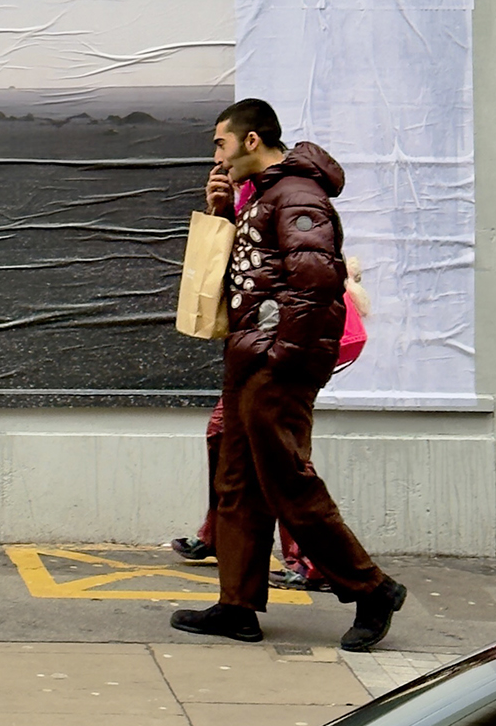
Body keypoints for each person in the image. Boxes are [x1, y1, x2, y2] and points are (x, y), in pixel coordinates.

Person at [169, 98, 405, 651]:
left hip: (274, 365)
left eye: (220, 144)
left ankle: (371, 588)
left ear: (252, 140)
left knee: (287, 482)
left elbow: (317, 282)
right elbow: (254, 272)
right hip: (250, 356)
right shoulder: (263, 196)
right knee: (237, 485)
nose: (216, 156)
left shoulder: (298, 195)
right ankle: (237, 607)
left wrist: (282, 358)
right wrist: (223, 213)